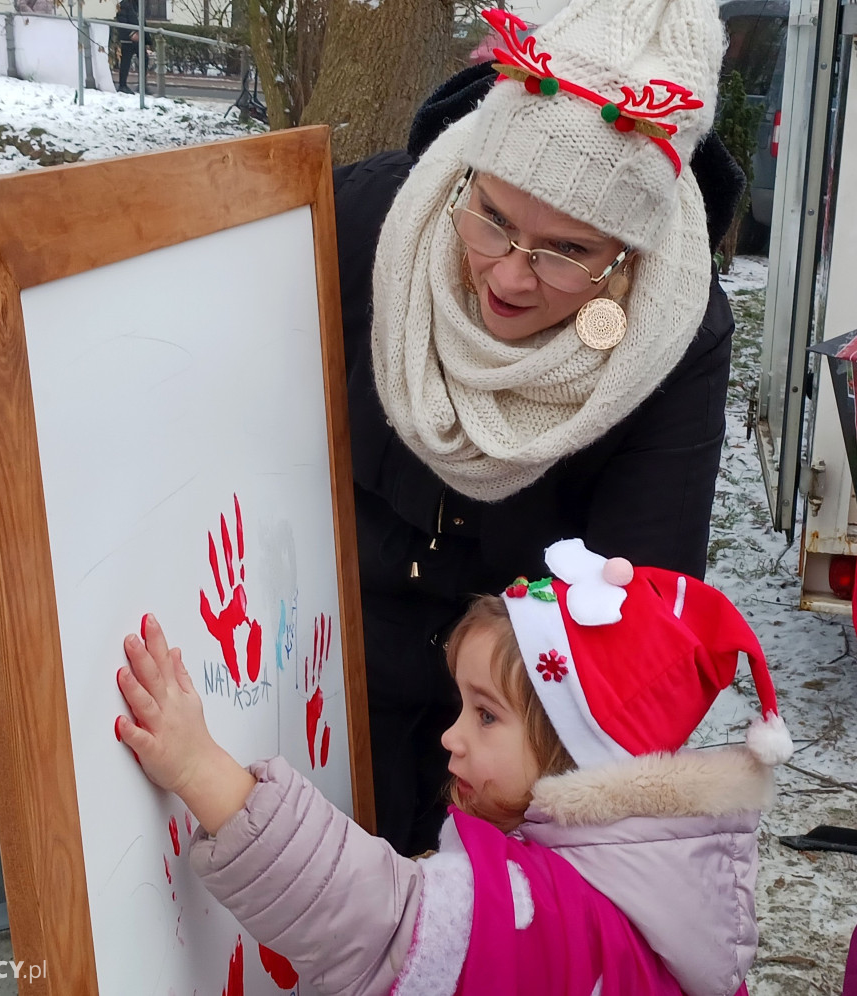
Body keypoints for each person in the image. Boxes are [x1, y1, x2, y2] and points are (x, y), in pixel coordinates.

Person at [332, 0, 747, 854]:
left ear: (630, 253)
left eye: (569, 251)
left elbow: (642, 615)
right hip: (328, 681)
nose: (511, 276)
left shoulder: (680, 338)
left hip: (521, 730)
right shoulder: (365, 219)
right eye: (492, 218)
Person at [115, 537, 794, 996]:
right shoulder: (644, 881)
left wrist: (200, 768)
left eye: (486, 715)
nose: (451, 737)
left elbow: (380, 921)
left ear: (574, 752)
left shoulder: (556, 914)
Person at [115, 0, 141, 94]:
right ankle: (122, 85)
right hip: (127, 39)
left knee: (144, 58)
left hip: (137, 39)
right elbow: (122, 22)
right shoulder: (123, 5)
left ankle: (142, 85)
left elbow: (141, 21)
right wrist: (131, 34)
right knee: (125, 62)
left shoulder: (138, 5)